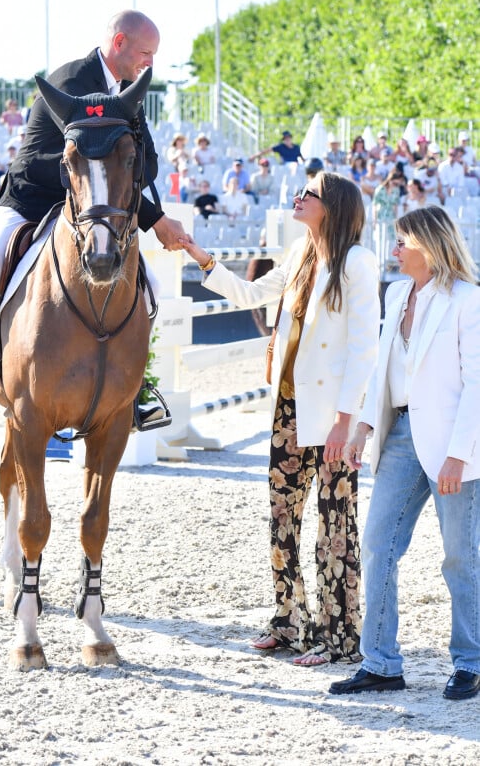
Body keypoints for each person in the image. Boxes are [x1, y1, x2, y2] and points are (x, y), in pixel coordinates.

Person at [0, 9, 188, 427]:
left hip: (90, 208)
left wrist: (150, 212)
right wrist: (151, 215)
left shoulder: (128, 91)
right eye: (146, 52)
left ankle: (134, 390)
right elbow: (77, 162)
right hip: (34, 196)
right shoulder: (70, 82)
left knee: (146, 284)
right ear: (119, 44)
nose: (149, 62)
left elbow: (143, 166)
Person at [182, 172, 380, 665]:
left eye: (309, 193)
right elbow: (251, 295)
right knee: (282, 520)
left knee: (336, 526)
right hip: (289, 409)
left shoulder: (357, 262)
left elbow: (363, 350)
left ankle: (339, 641)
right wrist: (199, 254)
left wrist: (345, 420)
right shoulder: (300, 254)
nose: (299, 197)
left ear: (330, 207)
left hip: (334, 416)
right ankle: (290, 624)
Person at [331, 206, 480, 700]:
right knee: (378, 545)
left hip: (453, 443)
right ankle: (381, 663)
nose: (394, 248)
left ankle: (470, 661)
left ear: (430, 245)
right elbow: (383, 368)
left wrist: (460, 454)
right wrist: (362, 427)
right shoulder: (396, 294)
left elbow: (477, 384)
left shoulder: (467, 300)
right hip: (399, 436)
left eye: (402, 240)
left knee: (460, 557)